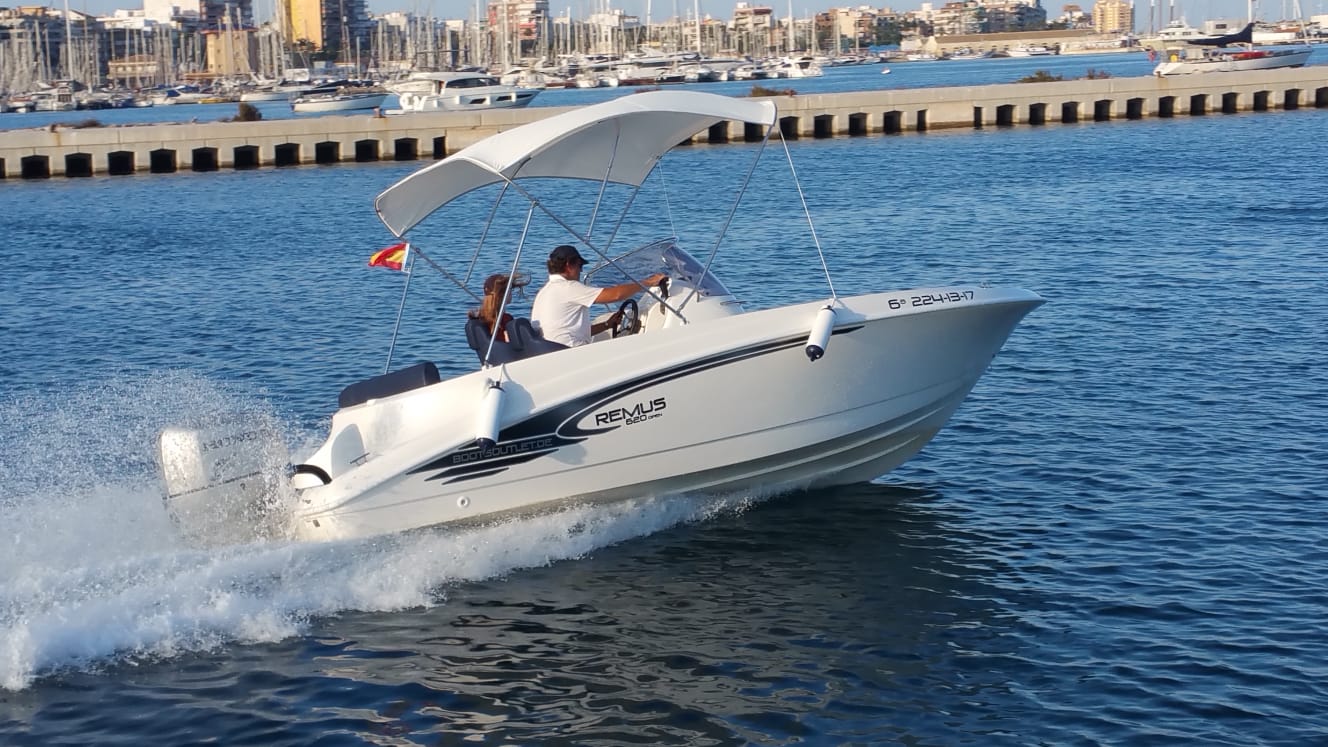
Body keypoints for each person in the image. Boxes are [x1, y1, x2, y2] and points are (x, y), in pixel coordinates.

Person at [531, 245, 667, 348]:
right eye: (580, 265)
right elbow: (616, 295)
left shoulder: (544, 292)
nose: (581, 271)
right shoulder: (568, 288)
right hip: (571, 354)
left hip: (554, 352)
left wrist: (607, 325)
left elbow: (571, 331)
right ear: (568, 265)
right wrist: (648, 282)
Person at [468, 272, 529, 342]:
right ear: (502, 294)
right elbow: (510, 342)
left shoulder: (479, 319)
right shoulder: (506, 319)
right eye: (510, 289)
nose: (511, 292)